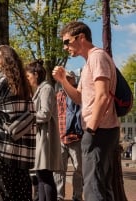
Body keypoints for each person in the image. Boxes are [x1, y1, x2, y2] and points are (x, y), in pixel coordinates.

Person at [52, 21, 119, 201]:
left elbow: (103, 96)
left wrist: (90, 130)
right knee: (99, 185)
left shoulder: (97, 57)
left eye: (67, 42)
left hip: (100, 131)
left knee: (92, 187)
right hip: (98, 130)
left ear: (81, 38)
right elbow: (80, 98)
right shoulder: (89, 62)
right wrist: (63, 81)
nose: (65, 47)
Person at [0, 45, 36, 201]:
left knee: (0, 190)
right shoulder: (24, 82)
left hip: (3, 144)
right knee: (21, 189)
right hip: (24, 145)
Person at [26, 60, 61, 201]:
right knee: (41, 175)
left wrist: (27, 117)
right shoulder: (42, 88)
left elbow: (45, 114)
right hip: (41, 137)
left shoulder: (46, 88)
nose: (28, 80)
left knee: (45, 175)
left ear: (36, 74)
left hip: (46, 137)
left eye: (28, 76)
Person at [53, 71, 83, 201]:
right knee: (59, 169)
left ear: (73, 80)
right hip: (60, 137)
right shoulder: (58, 95)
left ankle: (77, 196)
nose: (64, 80)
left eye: (68, 78)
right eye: (64, 79)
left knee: (78, 169)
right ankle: (59, 196)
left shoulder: (78, 94)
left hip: (75, 137)